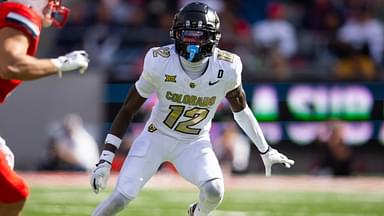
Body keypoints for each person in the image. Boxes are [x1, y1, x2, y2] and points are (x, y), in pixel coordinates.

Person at [90, 2, 294, 216]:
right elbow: (128, 109)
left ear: (213, 38)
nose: (192, 43)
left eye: (199, 36)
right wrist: (106, 158)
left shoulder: (227, 67)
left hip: (194, 142)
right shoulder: (159, 61)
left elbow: (241, 111)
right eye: (187, 35)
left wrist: (265, 150)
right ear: (176, 35)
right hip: (155, 138)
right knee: (119, 199)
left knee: (214, 191)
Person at [0, 0, 89, 215]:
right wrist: (61, 63)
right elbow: (11, 65)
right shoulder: (19, 12)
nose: (54, 5)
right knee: (14, 192)